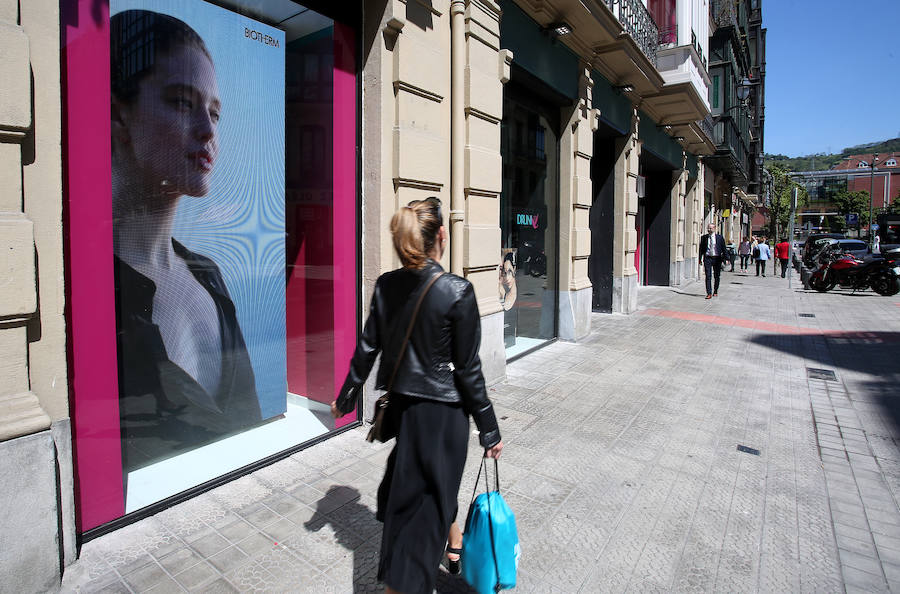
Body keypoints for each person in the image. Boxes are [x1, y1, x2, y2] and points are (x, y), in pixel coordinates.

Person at [110, 10, 261, 472]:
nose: (208, 129)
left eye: (214, 112)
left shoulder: (207, 275)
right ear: (121, 114)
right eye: (181, 102)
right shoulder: (96, 285)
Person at [331, 197, 503, 594]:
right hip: (444, 420)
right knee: (422, 512)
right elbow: (468, 369)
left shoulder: (387, 285)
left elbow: (367, 346)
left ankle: (453, 542)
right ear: (441, 234)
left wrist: (347, 394)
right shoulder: (457, 291)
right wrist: (489, 429)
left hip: (407, 413)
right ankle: (413, 577)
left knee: (421, 498)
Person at [699, 223, 726, 299]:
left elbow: (724, 248)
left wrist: (726, 259)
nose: (709, 230)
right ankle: (709, 293)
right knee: (708, 276)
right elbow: (701, 249)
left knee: (716, 276)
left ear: (714, 229)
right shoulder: (704, 238)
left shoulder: (720, 238)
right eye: (708, 228)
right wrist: (699, 259)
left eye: (710, 228)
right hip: (707, 258)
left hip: (717, 259)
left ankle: (715, 291)